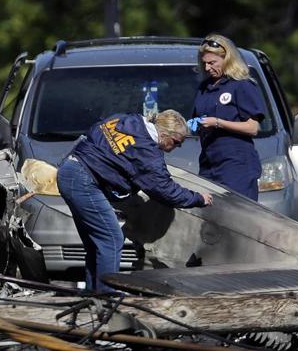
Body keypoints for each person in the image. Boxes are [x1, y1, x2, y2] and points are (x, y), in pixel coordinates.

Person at [57, 109, 213, 292]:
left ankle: (92, 295)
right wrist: (198, 198)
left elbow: (98, 130)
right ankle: (106, 299)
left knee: (96, 243)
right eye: (177, 142)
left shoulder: (129, 119)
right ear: (164, 135)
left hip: (69, 169)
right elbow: (165, 190)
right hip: (83, 181)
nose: (178, 147)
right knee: (112, 239)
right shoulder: (148, 152)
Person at [190, 33, 266, 201]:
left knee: (238, 216)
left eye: (212, 63)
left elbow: (253, 128)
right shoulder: (205, 87)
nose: (208, 68)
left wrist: (218, 123)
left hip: (236, 166)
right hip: (209, 164)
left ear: (227, 59)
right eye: (204, 64)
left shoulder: (241, 85)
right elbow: (196, 121)